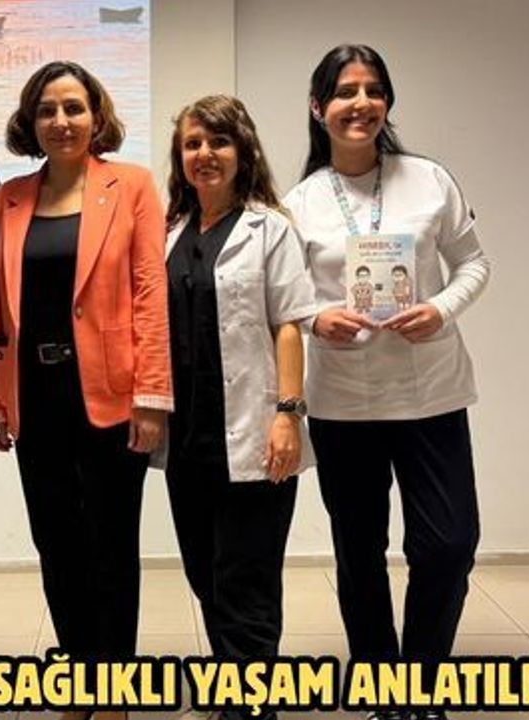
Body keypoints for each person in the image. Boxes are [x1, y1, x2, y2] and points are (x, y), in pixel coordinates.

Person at [283, 44, 491, 720]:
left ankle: (422, 683)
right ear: (318, 108)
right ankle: (382, 686)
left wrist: (441, 308)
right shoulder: (299, 203)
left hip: (432, 393)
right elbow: (285, 300)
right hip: (344, 403)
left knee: (449, 544)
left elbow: (474, 264)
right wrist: (317, 320)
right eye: (346, 92)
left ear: (387, 103)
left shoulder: (429, 181)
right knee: (360, 553)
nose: (361, 103)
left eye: (373, 90)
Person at [0, 60, 171, 706]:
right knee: (56, 544)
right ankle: (80, 677)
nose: (61, 121)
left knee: (111, 546)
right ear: (30, 122)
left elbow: (149, 294)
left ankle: (113, 686)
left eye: (73, 108)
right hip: (34, 398)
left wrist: (152, 397)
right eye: (47, 110)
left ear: (96, 115)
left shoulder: (132, 185)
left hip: (112, 396)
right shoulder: (8, 199)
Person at [161, 95, 316, 720]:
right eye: (193, 144)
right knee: (204, 572)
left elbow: (289, 325)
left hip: (255, 429)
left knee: (246, 577)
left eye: (218, 142)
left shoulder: (269, 228)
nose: (205, 154)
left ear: (242, 150)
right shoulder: (170, 231)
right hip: (187, 435)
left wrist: (288, 413)